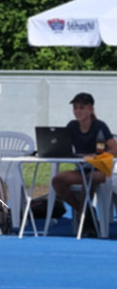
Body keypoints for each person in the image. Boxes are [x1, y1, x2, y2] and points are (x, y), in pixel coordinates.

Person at [52, 92, 117, 237]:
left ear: (91, 109)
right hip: (82, 169)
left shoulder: (100, 126)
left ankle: (85, 220)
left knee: (92, 179)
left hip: (100, 170)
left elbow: (115, 149)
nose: (77, 111)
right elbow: (63, 146)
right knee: (58, 181)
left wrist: (97, 157)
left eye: (81, 107)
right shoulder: (71, 126)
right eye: (75, 108)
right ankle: (88, 215)